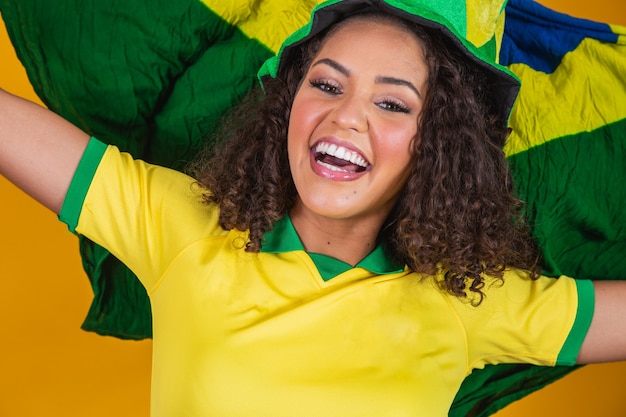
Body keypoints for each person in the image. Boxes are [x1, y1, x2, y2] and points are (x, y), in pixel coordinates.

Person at [1, 0, 625, 415]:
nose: (346, 115)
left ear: (434, 146)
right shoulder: (183, 229)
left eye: (393, 104)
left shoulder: (471, 304)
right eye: (326, 84)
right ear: (287, 106)